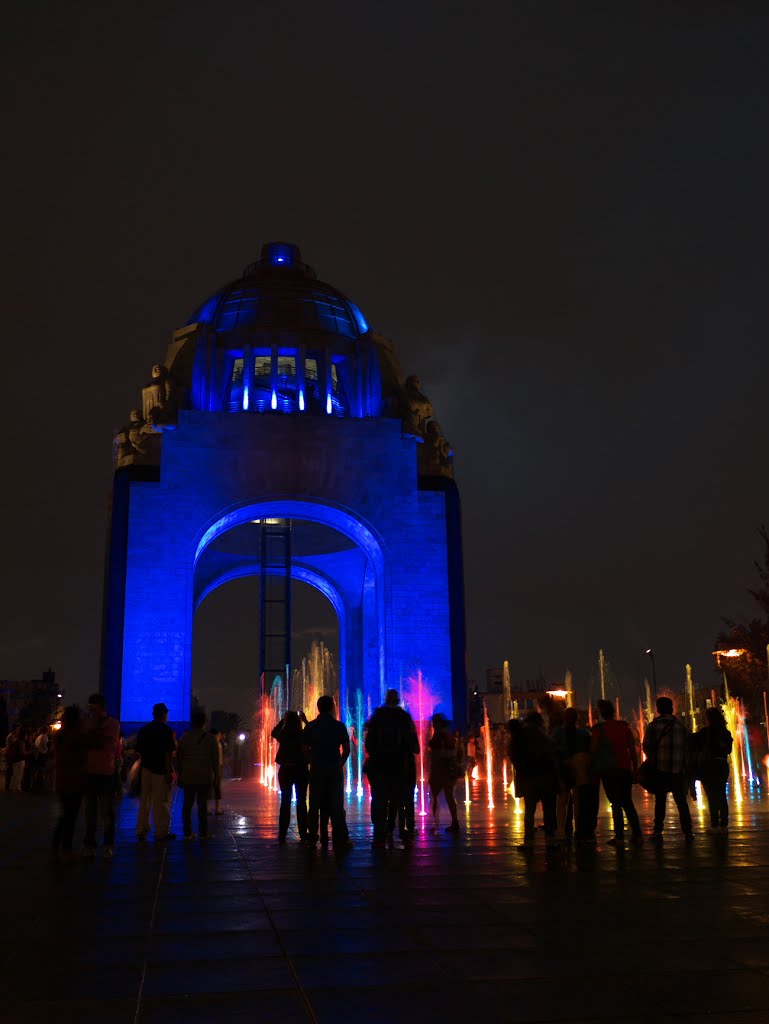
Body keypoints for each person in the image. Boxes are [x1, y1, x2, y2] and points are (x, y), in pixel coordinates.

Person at [365, 689, 419, 848]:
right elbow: (415, 747)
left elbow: (369, 744)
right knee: (402, 799)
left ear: (386, 700)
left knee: (380, 801)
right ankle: (405, 832)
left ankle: (380, 835)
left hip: (380, 766)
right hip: (400, 766)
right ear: (398, 701)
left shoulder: (377, 718)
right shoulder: (405, 718)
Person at [302, 695, 353, 851]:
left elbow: (304, 749)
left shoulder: (310, 727)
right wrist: (340, 763)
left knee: (314, 805)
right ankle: (341, 839)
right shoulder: (339, 726)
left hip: (317, 770)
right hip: (334, 770)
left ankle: (311, 838)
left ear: (318, 708)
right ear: (332, 707)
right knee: (336, 806)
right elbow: (347, 749)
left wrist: (312, 761)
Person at [591, 699, 643, 845]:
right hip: (625, 769)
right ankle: (637, 835)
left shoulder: (598, 730)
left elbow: (593, 750)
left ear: (601, 713)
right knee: (628, 802)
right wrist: (635, 767)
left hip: (608, 770)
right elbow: (632, 749)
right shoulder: (624, 727)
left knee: (615, 803)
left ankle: (619, 837)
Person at [642, 696, 693, 842]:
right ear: (671, 708)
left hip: (660, 770)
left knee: (660, 801)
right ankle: (688, 832)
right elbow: (687, 749)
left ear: (658, 709)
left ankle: (658, 831)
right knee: (681, 802)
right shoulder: (681, 727)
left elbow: (646, 747)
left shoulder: (653, 726)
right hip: (678, 771)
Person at [508, 711, 559, 850]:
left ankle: (529, 840)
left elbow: (513, 754)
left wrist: (521, 768)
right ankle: (550, 838)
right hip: (544, 777)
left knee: (529, 810)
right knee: (548, 809)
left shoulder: (520, 735)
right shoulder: (541, 734)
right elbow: (552, 749)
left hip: (528, 777)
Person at [82, 694, 121, 858]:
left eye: (94, 709)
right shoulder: (89, 724)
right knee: (90, 813)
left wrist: (91, 732)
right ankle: (90, 845)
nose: (92, 712)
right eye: (90, 709)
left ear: (102, 709)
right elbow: (87, 742)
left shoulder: (112, 724)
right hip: (90, 772)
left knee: (106, 812)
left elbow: (98, 742)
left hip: (105, 773)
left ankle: (107, 845)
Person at [554, 707, 598, 843]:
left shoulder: (558, 733)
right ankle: (579, 830)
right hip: (580, 768)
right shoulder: (584, 733)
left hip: (564, 768)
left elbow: (554, 749)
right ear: (577, 718)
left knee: (562, 801)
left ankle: (561, 830)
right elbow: (590, 750)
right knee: (578, 802)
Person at [135, 702, 177, 842]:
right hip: (160, 770)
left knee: (144, 801)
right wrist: (168, 771)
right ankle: (161, 832)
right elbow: (168, 754)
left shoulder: (144, 730)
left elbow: (139, 751)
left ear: (153, 714)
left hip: (145, 768)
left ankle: (141, 830)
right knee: (162, 802)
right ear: (164, 715)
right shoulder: (166, 731)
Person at [176, 710, 220, 840]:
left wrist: (180, 774)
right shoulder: (211, 739)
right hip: (204, 776)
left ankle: (187, 832)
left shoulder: (184, 738)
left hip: (188, 776)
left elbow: (179, 758)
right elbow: (215, 761)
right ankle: (203, 832)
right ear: (204, 723)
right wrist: (216, 776)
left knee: (187, 805)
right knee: (202, 805)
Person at [51, 706, 86, 862]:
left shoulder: (60, 735)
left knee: (65, 816)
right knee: (70, 817)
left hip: (62, 780)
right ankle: (66, 849)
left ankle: (56, 846)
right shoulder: (77, 735)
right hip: (75, 781)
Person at [692, 707, 733, 834]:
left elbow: (693, 744)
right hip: (721, 764)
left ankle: (714, 824)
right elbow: (729, 750)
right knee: (721, 794)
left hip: (708, 766)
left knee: (711, 796)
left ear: (708, 718)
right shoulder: (725, 732)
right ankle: (724, 825)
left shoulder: (704, 732)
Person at [271, 711, 309, 843]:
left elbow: (273, 732)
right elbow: (312, 733)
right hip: (301, 770)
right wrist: (305, 720)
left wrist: (283, 721)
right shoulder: (303, 734)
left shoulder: (284, 735)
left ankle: (282, 834)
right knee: (301, 802)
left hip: (286, 770)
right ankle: (304, 833)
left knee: (285, 802)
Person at [428, 713, 460, 833]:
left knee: (435, 797)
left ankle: (435, 824)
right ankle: (454, 821)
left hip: (440, 770)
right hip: (448, 771)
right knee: (449, 796)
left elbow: (439, 754)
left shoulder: (439, 736)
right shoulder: (448, 736)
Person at [210, 729, 225, 815]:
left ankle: (208, 809)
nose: (220, 736)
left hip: (213, 768)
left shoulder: (211, 744)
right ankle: (217, 809)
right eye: (219, 735)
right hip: (216, 768)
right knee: (216, 788)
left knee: (209, 789)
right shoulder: (216, 744)